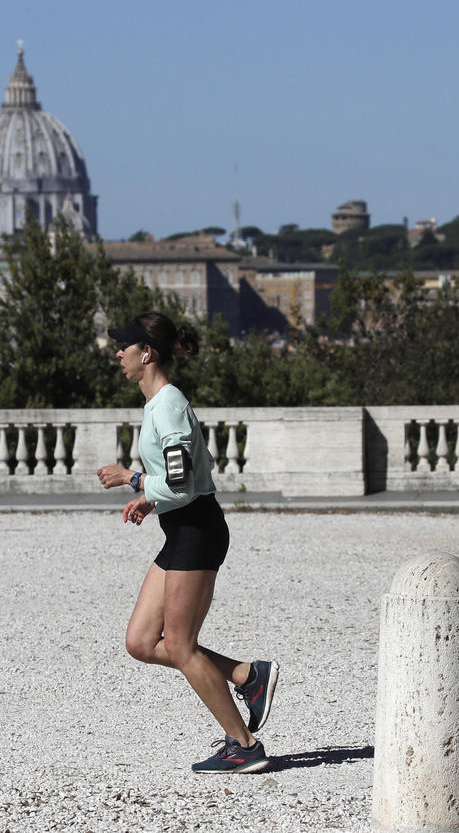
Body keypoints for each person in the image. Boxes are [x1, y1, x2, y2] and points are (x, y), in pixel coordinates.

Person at [96, 312, 280, 774]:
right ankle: (246, 675)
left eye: (125, 346)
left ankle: (244, 745)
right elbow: (196, 471)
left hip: (197, 531)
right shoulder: (160, 403)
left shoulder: (168, 405)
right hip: (182, 527)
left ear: (147, 353)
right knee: (141, 641)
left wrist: (131, 478)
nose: (117, 353)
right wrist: (151, 500)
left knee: (180, 645)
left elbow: (180, 482)